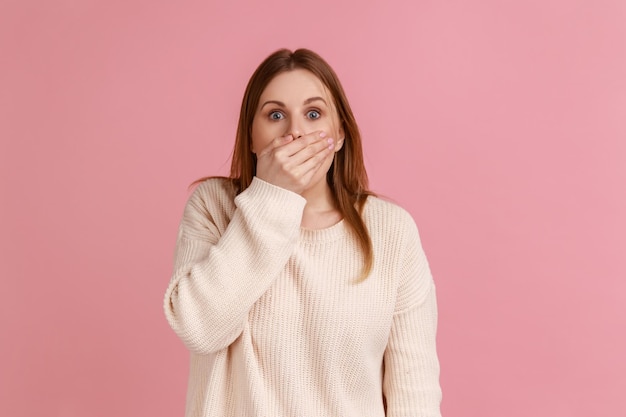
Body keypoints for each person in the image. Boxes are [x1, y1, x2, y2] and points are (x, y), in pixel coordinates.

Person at [163, 48, 442, 417]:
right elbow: (200, 329)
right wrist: (272, 197)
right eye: (275, 115)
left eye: (313, 114)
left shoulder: (391, 231)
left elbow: (414, 395)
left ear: (339, 134)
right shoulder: (213, 207)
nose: (294, 132)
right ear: (250, 136)